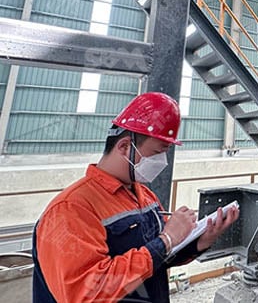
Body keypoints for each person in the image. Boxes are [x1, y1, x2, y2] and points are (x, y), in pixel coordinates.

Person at [32, 92, 239, 302]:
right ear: (124, 147)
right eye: (158, 151)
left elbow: (158, 259)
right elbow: (87, 293)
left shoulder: (145, 196)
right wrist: (166, 240)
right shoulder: (71, 209)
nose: (162, 161)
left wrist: (200, 241)